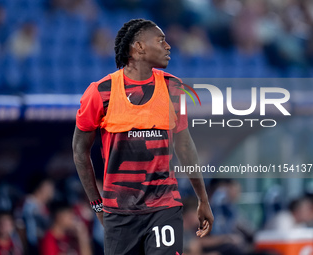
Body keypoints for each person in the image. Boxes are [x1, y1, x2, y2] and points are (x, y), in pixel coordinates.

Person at [72, 18, 214, 255]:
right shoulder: (100, 93)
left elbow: (185, 146)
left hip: (164, 206)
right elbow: (79, 150)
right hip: (119, 212)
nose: (168, 46)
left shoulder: (173, 89)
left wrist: (203, 199)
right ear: (138, 47)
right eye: (161, 40)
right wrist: (97, 204)